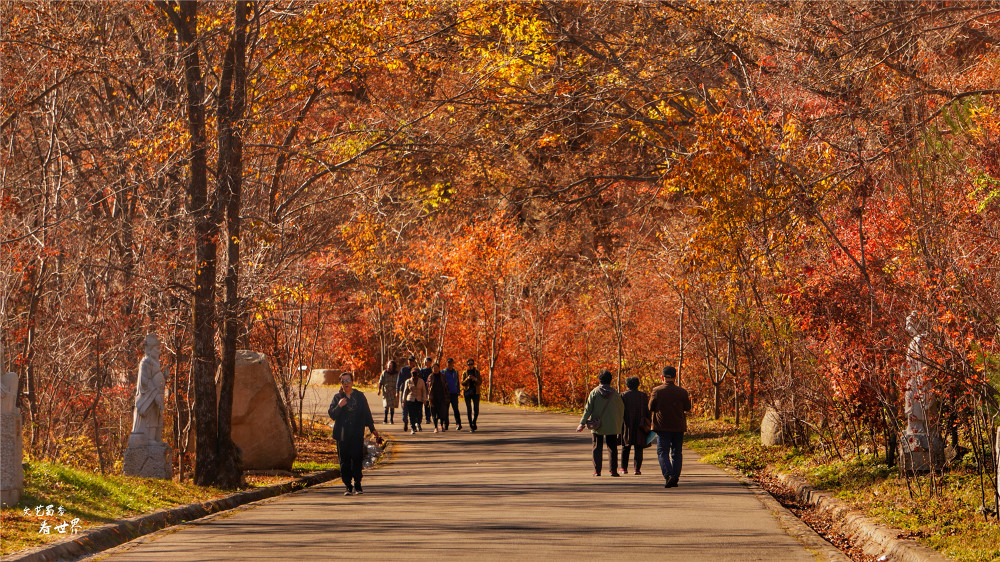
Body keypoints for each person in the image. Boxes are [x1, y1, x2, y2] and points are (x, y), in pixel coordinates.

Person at [328, 372, 381, 495]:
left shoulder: (360, 396)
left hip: (357, 433)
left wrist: (372, 428)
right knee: (344, 460)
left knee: (357, 458)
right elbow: (332, 414)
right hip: (342, 434)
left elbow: (367, 413)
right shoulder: (337, 398)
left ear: (352, 382)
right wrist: (339, 406)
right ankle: (348, 485)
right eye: (343, 381)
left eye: (348, 380)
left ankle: (358, 484)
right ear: (341, 384)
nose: (346, 383)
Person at [649, 366, 692, 488]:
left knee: (662, 452)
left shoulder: (657, 391)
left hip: (662, 427)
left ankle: (668, 475)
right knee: (677, 452)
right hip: (678, 426)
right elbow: (687, 408)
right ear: (675, 377)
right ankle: (675, 477)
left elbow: (650, 407)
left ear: (662, 377)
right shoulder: (682, 391)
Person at [576, 370, 625, 476]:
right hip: (612, 425)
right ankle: (613, 470)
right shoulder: (615, 393)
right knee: (612, 447)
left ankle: (597, 471)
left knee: (597, 447)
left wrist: (582, 423)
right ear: (611, 380)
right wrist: (619, 423)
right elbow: (621, 408)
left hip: (597, 424)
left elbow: (588, 409)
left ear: (599, 380)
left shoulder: (594, 392)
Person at [620, 376, 650, 475]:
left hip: (627, 424)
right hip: (640, 424)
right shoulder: (643, 396)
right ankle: (637, 469)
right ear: (638, 385)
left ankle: (624, 468)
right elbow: (647, 411)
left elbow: (620, 411)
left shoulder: (623, 395)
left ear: (627, 385)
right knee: (639, 447)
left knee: (625, 446)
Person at [402, 366, 428, 434]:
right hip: (410, 399)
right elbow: (405, 391)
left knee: (419, 413)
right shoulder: (408, 381)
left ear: (418, 374)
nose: (414, 375)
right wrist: (403, 401)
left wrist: (424, 399)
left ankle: (418, 424)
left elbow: (424, 391)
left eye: (415, 373)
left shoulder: (421, 381)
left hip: (419, 399)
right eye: (413, 373)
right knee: (411, 414)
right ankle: (412, 427)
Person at [428, 361, 450, 432]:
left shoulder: (442, 376)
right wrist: (428, 396)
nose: (435, 369)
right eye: (434, 368)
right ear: (432, 369)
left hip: (442, 397)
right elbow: (428, 387)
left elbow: (446, 386)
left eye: (437, 368)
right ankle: (435, 427)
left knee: (442, 412)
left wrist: (447, 396)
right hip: (433, 397)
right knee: (434, 413)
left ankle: (441, 426)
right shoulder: (430, 377)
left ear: (439, 368)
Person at [461, 358, 483, 432]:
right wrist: (467, 379)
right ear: (467, 365)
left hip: (476, 392)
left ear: (473, 364)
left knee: (476, 409)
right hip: (467, 392)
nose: (470, 365)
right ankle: (471, 425)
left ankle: (474, 422)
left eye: (471, 364)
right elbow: (462, 383)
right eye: (469, 364)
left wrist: (475, 379)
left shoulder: (476, 372)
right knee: (469, 409)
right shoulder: (465, 372)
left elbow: (480, 382)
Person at [377, 360, 399, 424]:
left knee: (392, 406)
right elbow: (381, 381)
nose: (389, 365)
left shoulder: (397, 374)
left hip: (394, 391)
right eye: (388, 364)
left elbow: (398, 382)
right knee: (386, 405)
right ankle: (385, 418)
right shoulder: (385, 372)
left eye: (390, 364)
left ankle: (391, 419)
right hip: (386, 391)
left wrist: (398, 390)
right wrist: (379, 390)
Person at [443, 358, 463, 430]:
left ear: (453, 364)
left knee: (456, 409)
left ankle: (458, 423)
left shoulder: (455, 372)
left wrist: (458, 391)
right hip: (447, 394)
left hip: (454, 393)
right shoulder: (444, 372)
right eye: (448, 363)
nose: (450, 364)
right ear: (446, 364)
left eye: (451, 363)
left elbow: (457, 382)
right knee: (446, 409)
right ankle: (446, 424)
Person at [397, 356, 415, 431]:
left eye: (412, 360)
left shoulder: (416, 370)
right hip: (404, 392)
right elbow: (399, 380)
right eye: (409, 360)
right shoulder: (403, 369)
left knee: (412, 410)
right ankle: (405, 422)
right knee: (404, 409)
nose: (410, 362)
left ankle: (412, 425)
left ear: (414, 361)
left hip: (413, 393)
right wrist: (397, 391)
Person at [417, 357, 433, 424]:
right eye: (425, 361)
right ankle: (421, 418)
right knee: (422, 403)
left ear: (430, 362)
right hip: (422, 388)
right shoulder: (421, 370)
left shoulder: (432, 370)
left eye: (427, 361)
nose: (425, 362)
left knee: (428, 404)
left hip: (430, 389)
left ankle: (428, 418)